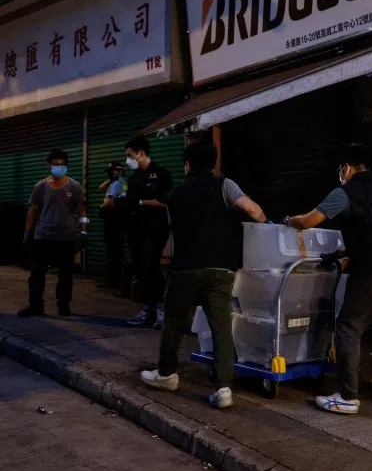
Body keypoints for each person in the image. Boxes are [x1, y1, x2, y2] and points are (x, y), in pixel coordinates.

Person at [283, 143, 372, 424]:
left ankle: (347, 397)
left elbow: (309, 221)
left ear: (347, 167)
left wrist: (288, 221)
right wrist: (344, 252)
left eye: (340, 168)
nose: (340, 173)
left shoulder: (344, 192)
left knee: (348, 326)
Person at [140, 142, 268, 409]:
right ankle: (223, 389)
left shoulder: (174, 194)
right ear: (213, 163)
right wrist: (265, 224)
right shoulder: (224, 185)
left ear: (187, 165)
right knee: (221, 327)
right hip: (221, 269)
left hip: (184, 269)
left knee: (174, 325)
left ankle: (166, 374)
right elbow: (253, 210)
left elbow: (172, 237)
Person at [18, 150, 88, 318]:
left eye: (63, 164)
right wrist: (28, 233)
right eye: (56, 164)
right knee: (37, 273)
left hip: (66, 237)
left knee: (65, 274)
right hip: (43, 236)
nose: (60, 167)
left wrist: (84, 231)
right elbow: (33, 210)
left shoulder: (75, 186)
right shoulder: (40, 186)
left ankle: (63, 306)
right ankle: (35, 306)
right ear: (48, 165)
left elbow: (82, 210)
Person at [123, 137, 173, 328]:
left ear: (140, 153)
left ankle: (161, 310)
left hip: (155, 229)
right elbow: (130, 200)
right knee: (139, 267)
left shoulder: (160, 174)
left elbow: (165, 201)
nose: (128, 160)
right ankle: (148, 308)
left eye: (130, 156)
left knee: (151, 265)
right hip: (136, 228)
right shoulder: (134, 178)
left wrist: (141, 202)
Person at [97, 162, 128, 290]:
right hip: (119, 219)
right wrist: (110, 179)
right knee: (116, 250)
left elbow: (110, 202)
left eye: (112, 172)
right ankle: (116, 280)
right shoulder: (121, 182)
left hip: (112, 219)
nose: (110, 174)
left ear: (119, 171)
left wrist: (100, 207)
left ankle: (112, 281)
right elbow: (101, 188)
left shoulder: (117, 184)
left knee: (112, 251)